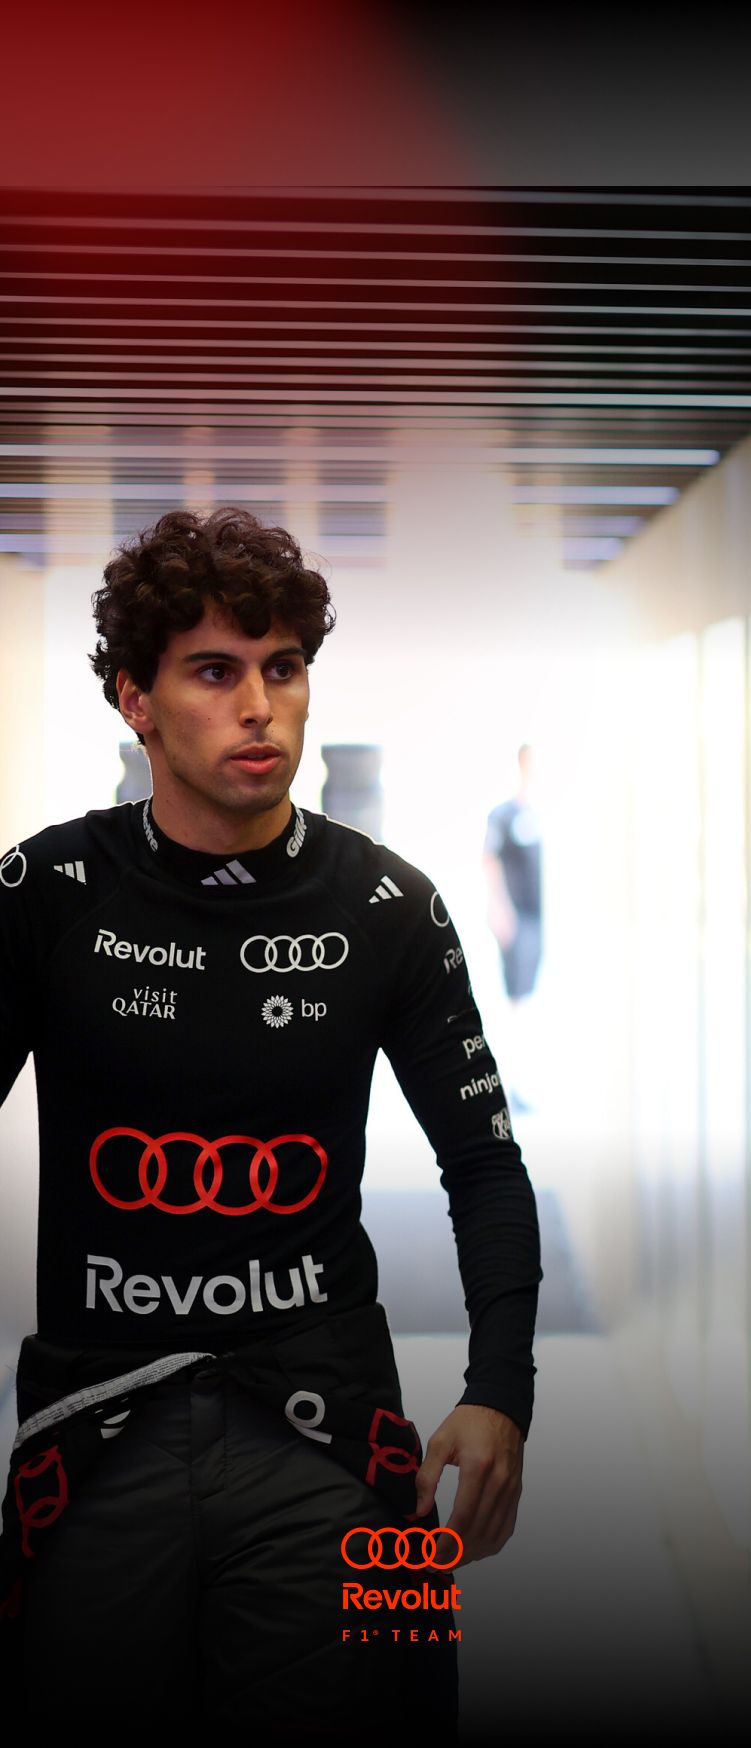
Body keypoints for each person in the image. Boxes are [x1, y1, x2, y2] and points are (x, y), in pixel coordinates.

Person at [0, 508, 541, 1733]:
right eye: (215, 670)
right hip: (90, 1434)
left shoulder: (393, 903)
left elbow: (486, 1166)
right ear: (136, 699)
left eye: (283, 667)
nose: (260, 704)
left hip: (346, 1429)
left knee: (402, 1710)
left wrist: (501, 1387)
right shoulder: (42, 891)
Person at [483, 745, 544, 1111]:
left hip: (537, 921)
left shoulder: (534, 815)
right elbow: (489, 860)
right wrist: (499, 909)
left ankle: (519, 1084)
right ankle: (505, 1087)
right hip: (515, 921)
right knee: (514, 1003)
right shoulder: (503, 816)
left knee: (527, 1001)